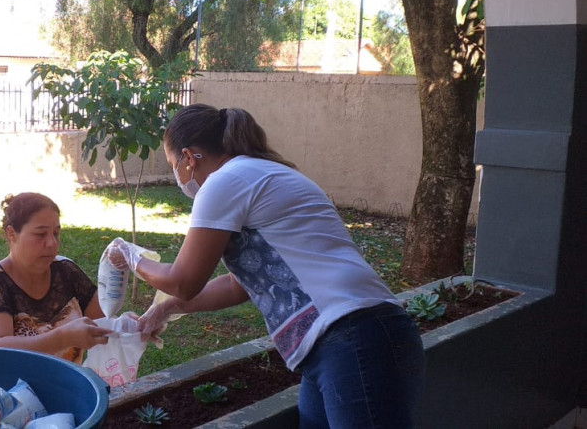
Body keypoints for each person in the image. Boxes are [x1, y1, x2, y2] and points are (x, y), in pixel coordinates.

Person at [110, 104, 425, 428]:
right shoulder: (254, 173)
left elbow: (184, 280)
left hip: (354, 334)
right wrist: (165, 309)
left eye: (174, 164)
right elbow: (238, 285)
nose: (177, 175)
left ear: (189, 157)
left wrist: (133, 257)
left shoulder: (225, 181)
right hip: (347, 337)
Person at [0, 192, 114, 364]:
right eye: (40, 234)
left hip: (67, 385)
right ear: (11, 233)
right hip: (8, 389)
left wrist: (130, 326)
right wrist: (62, 338)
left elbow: (102, 322)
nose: (52, 243)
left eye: (56, 233)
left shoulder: (66, 271)